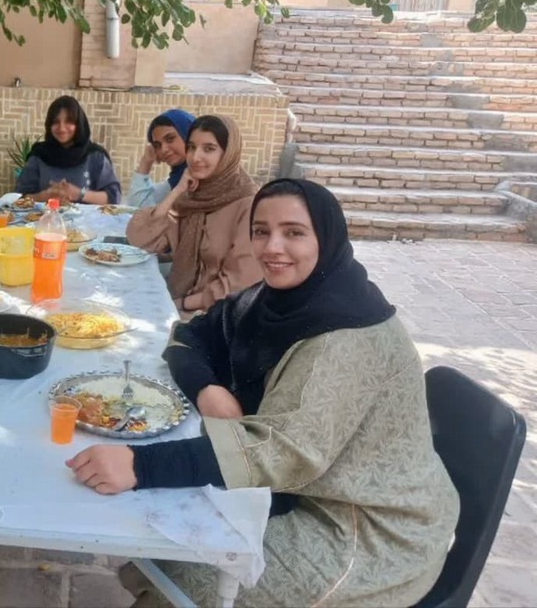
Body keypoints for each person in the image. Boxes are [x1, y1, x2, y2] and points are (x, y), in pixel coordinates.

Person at [67, 179, 460, 608]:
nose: (273, 247)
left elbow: (280, 452)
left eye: (294, 232)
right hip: (306, 490)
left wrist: (141, 465)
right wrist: (207, 390)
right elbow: (190, 336)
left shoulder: (344, 337)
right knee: (162, 538)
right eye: (261, 231)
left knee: (189, 571)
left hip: (366, 530)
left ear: (326, 237)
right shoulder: (275, 300)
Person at [126, 115, 262, 317]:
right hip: (177, 303)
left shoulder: (250, 205)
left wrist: (180, 303)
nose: (195, 157)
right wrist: (177, 191)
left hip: (215, 316)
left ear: (228, 153)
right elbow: (142, 240)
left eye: (209, 149)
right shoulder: (193, 196)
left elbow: (239, 283)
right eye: (191, 147)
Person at [15, 95, 122, 204]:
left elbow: (114, 197)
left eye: (69, 121)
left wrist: (80, 194)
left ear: (79, 124)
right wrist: (45, 196)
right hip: (46, 215)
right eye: (55, 122)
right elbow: (19, 197)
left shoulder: (95, 156)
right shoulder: (39, 155)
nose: (61, 128)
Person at [127, 108, 195, 209]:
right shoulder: (177, 178)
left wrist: (145, 164)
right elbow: (137, 206)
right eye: (157, 145)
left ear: (189, 136)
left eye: (170, 139)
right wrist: (146, 162)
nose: (163, 150)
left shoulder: (199, 176)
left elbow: (144, 210)